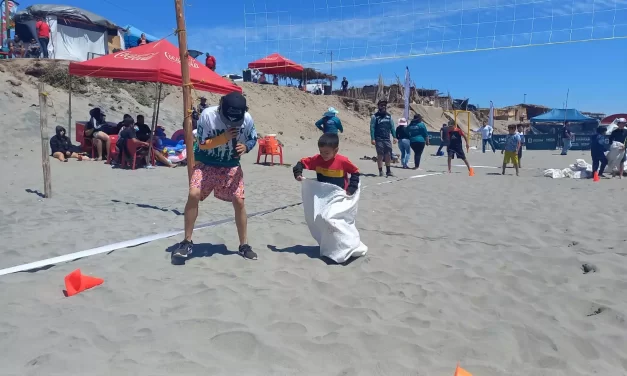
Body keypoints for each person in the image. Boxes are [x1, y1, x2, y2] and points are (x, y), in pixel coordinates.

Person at [172, 92, 258, 261]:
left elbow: (253, 138)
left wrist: (245, 147)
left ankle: (244, 245)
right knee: (193, 194)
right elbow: (202, 145)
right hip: (205, 163)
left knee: (239, 201)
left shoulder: (247, 119)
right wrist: (224, 138)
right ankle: (187, 241)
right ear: (221, 108)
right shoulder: (208, 115)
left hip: (230, 164)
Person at [293, 133, 360, 195]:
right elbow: (301, 163)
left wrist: (352, 188)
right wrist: (298, 174)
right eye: (321, 151)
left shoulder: (343, 161)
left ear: (335, 150)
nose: (323, 155)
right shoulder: (317, 159)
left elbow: (355, 172)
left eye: (327, 153)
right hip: (323, 193)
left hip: (340, 193)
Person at [370, 99, 397, 177]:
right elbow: (372, 128)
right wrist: (372, 138)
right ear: (378, 106)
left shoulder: (389, 116)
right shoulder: (375, 117)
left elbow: (392, 127)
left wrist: (394, 137)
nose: (383, 106)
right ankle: (380, 171)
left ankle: (388, 171)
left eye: (385, 105)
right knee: (380, 155)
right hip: (378, 139)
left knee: (388, 154)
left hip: (387, 138)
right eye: (382, 105)